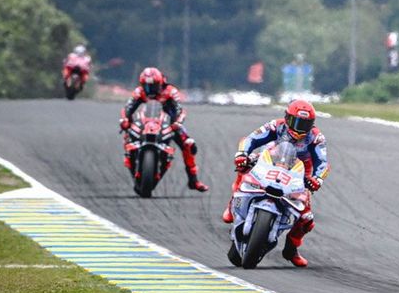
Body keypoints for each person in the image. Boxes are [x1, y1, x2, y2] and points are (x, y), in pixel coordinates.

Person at [221, 99, 328, 268]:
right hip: (270, 160)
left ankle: (291, 249)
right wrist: (242, 153)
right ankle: (232, 203)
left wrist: (317, 179)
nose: (300, 128)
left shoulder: (316, 137)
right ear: (287, 118)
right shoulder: (276, 126)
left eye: (305, 124)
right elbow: (251, 138)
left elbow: (322, 162)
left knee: (307, 218)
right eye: (296, 122)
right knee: (244, 165)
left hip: (299, 172)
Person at [118, 67, 208, 192]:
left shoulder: (171, 91)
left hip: (169, 124)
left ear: (161, 83)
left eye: (153, 86)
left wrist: (177, 123)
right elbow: (128, 108)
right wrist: (125, 120)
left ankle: (193, 180)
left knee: (188, 143)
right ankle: (131, 162)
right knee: (128, 135)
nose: (149, 90)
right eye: (146, 86)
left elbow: (180, 110)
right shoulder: (139, 91)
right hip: (145, 123)